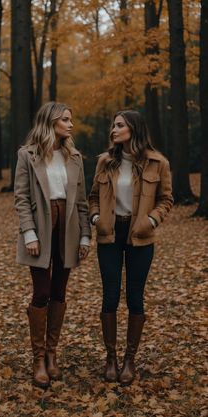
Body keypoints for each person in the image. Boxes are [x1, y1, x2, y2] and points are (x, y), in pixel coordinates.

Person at [89, 109, 173, 385]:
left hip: (140, 235)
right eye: (113, 125)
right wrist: (96, 219)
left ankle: (130, 359)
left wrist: (150, 220)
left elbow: (166, 199)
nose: (113, 129)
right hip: (110, 233)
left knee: (135, 297)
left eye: (119, 125)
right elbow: (92, 198)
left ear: (133, 129)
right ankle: (111, 358)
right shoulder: (104, 162)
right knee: (110, 295)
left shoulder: (157, 162)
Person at [14, 102, 91, 388]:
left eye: (71, 120)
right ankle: (38, 359)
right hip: (41, 227)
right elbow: (21, 198)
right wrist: (29, 233)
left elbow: (81, 201)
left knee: (59, 290)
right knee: (42, 292)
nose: (71, 125)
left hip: (68, 227)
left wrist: (85, 236)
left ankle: (52, 355)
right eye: (66, 120)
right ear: (51, 122)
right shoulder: (27, 155)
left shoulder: (75, 157)